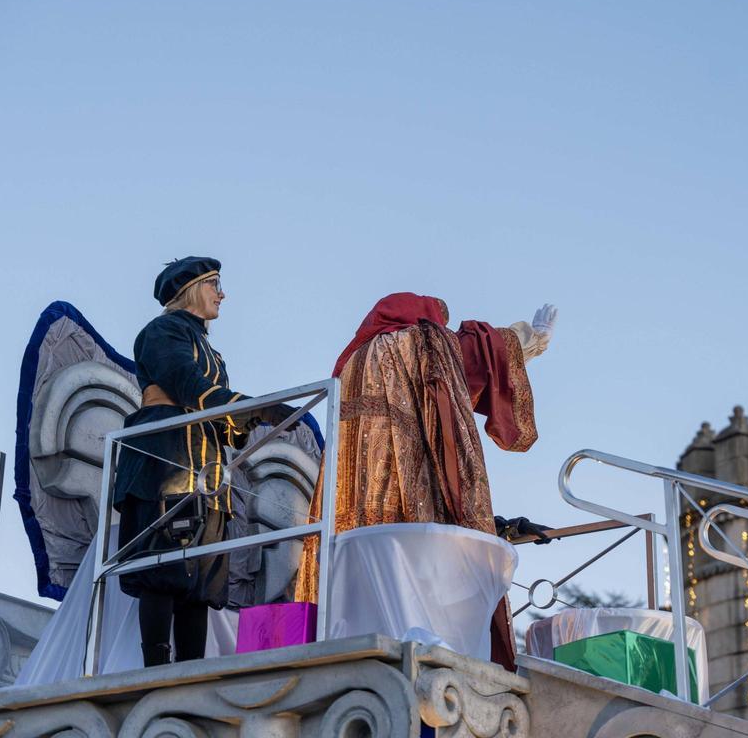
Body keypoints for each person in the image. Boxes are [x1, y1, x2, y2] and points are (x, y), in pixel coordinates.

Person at [294, 292, 557, 669]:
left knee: (358, 588)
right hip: (408, 509)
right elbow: (479, 351)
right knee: (416, 587)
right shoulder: (421, 341)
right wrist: (530, 336)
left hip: (346, 517)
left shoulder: (353, 360)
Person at [113, 256, 293, 667]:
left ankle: (192, 670)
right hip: (164, 460)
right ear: (194, 289)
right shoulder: (162, 331)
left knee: (201, 577)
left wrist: (246, 421)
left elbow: (222, 420)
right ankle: (156, 671)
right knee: (162, 566)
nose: (222, 294)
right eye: (216, 285)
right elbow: (186, 384)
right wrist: (255, 409)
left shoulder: (213, 351)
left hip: (207, 470)